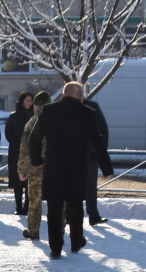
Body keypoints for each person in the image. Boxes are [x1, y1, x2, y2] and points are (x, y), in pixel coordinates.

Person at [28, 81, 112, 259]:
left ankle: (55, 248)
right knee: (75, 206)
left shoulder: (48, 111)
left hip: (53, 166)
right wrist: (106, 168)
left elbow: (34, 138)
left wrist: (37, 160)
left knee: (54, 208)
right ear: (80, 96)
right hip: (77, 166)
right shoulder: (88, 113)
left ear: (63, 95)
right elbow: (98, 142)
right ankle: (76, 241)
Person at [19, 91, 51, 240]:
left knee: (34, 201)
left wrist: (22, 169)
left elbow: (25, 149)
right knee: (56, 202)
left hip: (35, 168)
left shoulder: (32, 123)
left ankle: (33, 230)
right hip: (54, 167)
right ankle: (59, 231)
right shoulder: (57, 122)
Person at [4, 91, 34, 215]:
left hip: (31, 152)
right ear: (22, 101)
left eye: (31, 100)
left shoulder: (35, 116)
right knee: (17, 180)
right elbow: (8, 133)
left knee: (29, 180)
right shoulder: (13, 116)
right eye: (27, 100)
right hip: (16, 151)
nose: (29, 103)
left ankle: (27, 206)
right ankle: (18, 206)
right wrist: (18, 142)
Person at [84, 96, 113, 225]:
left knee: (90, 187)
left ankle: (93, 215)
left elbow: (103, 130)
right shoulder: (64, 108)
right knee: (71, 186)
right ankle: (68, 215)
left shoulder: (92, 107)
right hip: (72, 155)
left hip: (90, 153)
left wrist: (100, 151)